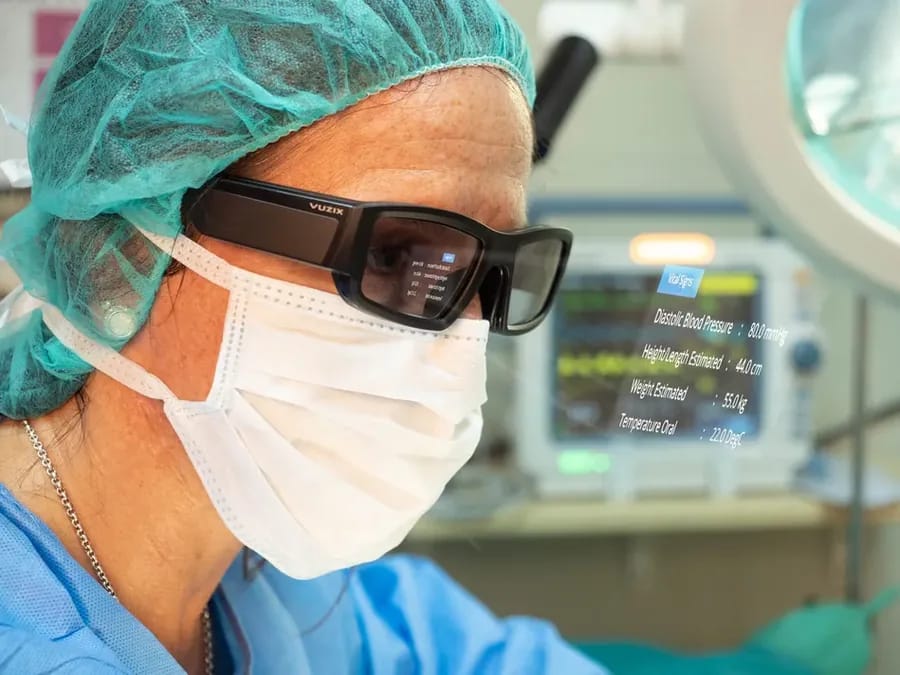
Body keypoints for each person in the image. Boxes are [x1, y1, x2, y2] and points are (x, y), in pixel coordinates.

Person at [0, 1, 609, 673]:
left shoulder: (283, 586)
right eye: (394, 256)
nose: (460, 342)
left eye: (494, 273)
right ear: (123, 257)